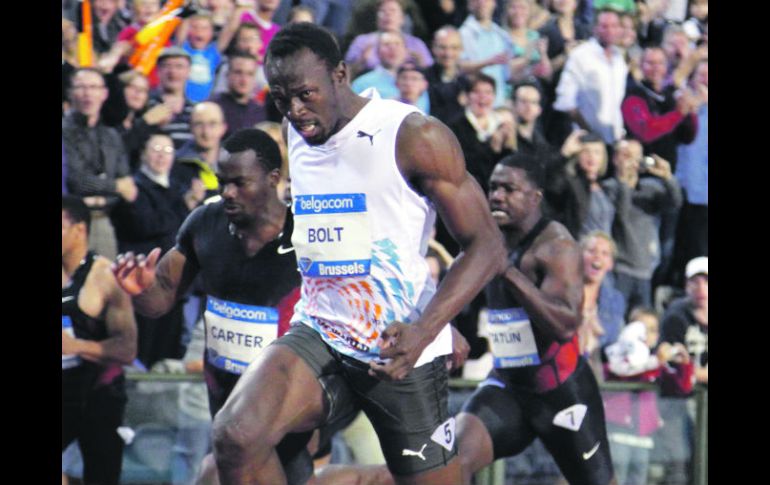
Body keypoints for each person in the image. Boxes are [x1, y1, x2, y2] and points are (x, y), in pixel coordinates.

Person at [211, 22, 506, 485]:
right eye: (281, 98)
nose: (295, 110)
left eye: (306, 94)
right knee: (234, 436)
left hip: (398, 348)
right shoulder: (296, 132)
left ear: (341, 74)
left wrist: (429, 328)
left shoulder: (412, 135)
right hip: (319, 332)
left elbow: (487, 245)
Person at [314, 152, 616, 485]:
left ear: (535, 197)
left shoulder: (556, 246)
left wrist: (508, 272)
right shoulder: (486, 240)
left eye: (509, 189)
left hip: (562, 392)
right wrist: (446, 328)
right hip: (508, 389)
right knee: (444, 467)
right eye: (493, 187)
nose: (497, 196)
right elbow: (448, 293)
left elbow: (565, 325)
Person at [111, 128, 341, 485]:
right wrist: (140, 290)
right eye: (222, 181)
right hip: (223, 386)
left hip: (290, 390)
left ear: (274, 179)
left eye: (240, 183)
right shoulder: (205, 223)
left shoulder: (310, 231)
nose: (227, 192)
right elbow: (159, 301)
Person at [62, 195, 138, 485]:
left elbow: (128, 348)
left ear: (78, 230)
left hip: (98, 396)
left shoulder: (105, 276)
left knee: (103, 474)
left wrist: (76, 347)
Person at [111, 134, 198, 367]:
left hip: (173, 285)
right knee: (144, 350)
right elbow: (144, 224)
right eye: (156, 149)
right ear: (143, 154)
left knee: (169, 352)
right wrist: (185, 207)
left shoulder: (178, 189)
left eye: (168, 150)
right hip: (142, 284)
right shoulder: (134, 188)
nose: (161, 155)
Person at [63, 67, 138, 261]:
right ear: (70, 93)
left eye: (94, 87)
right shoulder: (63, 133)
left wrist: (102, 197)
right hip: (69, 222)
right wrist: (113, 187)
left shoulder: (111, 136)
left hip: (104, 220)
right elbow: (74, 182)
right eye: (81, 87)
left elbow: (128, 188)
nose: (88, 93)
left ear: (104, 94)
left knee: (105, 282)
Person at [602, 138, 682, 312]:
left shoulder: (650, 188)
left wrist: (668, 177)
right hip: (619, 268)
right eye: (626, 155)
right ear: (615, 159)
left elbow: (675, 203)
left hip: (645, 269)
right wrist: (623, 183)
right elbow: (620, 217)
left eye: (636, 156)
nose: (632, 161)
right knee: (615, 317)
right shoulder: (607, 188)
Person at [553, 8, 628, 147]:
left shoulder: (620, 60)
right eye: (604, 26)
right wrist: (590, 133)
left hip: (615, 140)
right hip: (585, 141)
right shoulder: (581, 56)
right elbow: (566, 103)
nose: (610, 30)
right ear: (595, 28)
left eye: (614, 26)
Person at [578, 230, 626, 380]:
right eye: (591, 251)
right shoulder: (562, 292)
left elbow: (611, 340)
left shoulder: (615, 300)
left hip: (601, 375)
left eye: (605, 253)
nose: (597, 257)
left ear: (610, 264)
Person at [344, 0, 434, 79]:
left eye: (393, 11)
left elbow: (431, 73)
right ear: (377, 17)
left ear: (402, 18)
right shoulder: (362, 41)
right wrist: (361, 61)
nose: (388, 15)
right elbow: (346, 73)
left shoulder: (416, 44)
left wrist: (420, 62)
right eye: (383, 11)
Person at [458, 0, 513, 108]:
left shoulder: (502, 35)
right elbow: (459, 66)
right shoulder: (463, 34)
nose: (482, 3)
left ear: (494, 3)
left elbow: (508, 72)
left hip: (499, 101)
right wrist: (487, 62)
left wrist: (528, 62)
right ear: (469, 4)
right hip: (475, 103)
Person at [172, 102, 229, 204]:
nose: (206, 132)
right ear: (190, 127)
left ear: (223, 128)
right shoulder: (175, 165)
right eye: (199, 124)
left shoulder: (235, 163)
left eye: (212, 124)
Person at [147, 46, 197, 150]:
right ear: (158, 71)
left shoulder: (196, 111)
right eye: (167, 66)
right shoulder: (146, 105)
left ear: (189, 72)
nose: (172, 72)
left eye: (179, 66)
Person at [211, 52, 269, 138]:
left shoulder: (260, 111)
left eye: (250, 74)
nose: (244, 80)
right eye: (238, 72)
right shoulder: (213, 107)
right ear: (227, 75)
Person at [423, 26, 471, 126]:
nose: (448, 54)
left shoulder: (466, 83)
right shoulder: (422, 79)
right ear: (433, 48)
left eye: (454, 48)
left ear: (461, 49)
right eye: (443, 47)